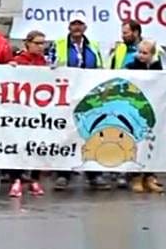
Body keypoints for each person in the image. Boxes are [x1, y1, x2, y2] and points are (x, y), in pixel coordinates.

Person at [51, 13, 108, 191]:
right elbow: (49, 67)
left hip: (89, 98)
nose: (76, 27)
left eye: (80, 24)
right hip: (65, 97)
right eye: (74, 24)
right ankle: (63, 174)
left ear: (85, 27)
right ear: (69, 26)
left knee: (91, 134)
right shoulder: (59, 45)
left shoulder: (94, 46)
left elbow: (100, 69)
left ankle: (94, 174)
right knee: (66, 135)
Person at [7, 31, 48, 198]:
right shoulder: (19, 61)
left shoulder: (43, 62)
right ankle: (15, 178)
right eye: (37, 43)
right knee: (17, 144)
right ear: (28, 43)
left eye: (43, 43)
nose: (41, 47)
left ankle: (34, 178)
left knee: (37, 144)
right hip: (20, 111)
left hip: (37, 111)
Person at [123, 39, 165, 194]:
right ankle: (135, 177)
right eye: (139, 52)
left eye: (145, 53)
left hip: (153, 110)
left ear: (152, 54)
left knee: (151, 143)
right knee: (137, 144)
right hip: (135, 111)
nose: (141, 55)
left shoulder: (158, 67)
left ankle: (150, 177)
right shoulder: (131, 67)